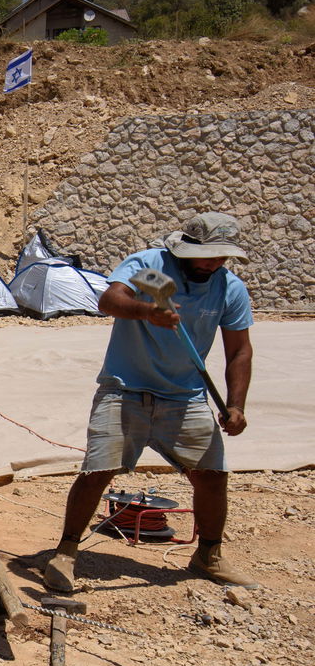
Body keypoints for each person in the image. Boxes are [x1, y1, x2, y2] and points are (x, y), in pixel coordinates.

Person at [42, 212, 257, 593]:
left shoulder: (228, 288)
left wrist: (236, 404)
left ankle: (208, 554)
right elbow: (111, 299)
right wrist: (146, 312)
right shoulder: (154, 269)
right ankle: (65, 553)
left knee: (211, 475)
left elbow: (239, 350)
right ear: (187, 248)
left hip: (185, 395)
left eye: (222, 256)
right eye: (207, 254)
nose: (214, 262)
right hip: (124, 388)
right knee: (98, 470)